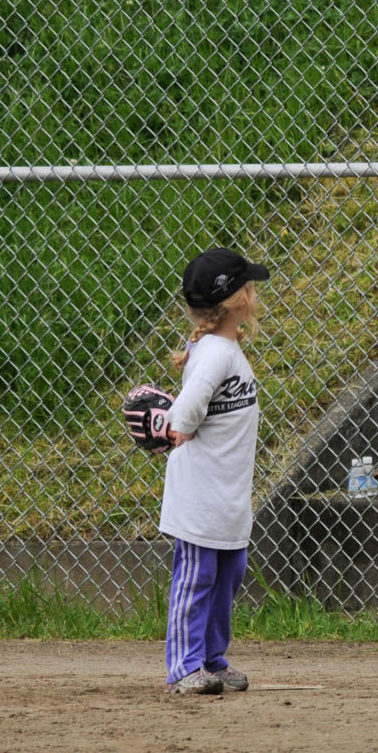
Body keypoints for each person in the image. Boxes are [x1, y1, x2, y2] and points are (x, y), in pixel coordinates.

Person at [160, 247, 270, 694]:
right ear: (236, 300)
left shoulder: (224, 348)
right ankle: (184, 668)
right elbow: (187, 408)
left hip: (227, 494)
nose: (254, 294)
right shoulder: (214, 353)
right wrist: (178, 427)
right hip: (200, 496)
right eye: (250, 287)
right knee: (198, 579)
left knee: (228, 576)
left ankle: (211, 658)